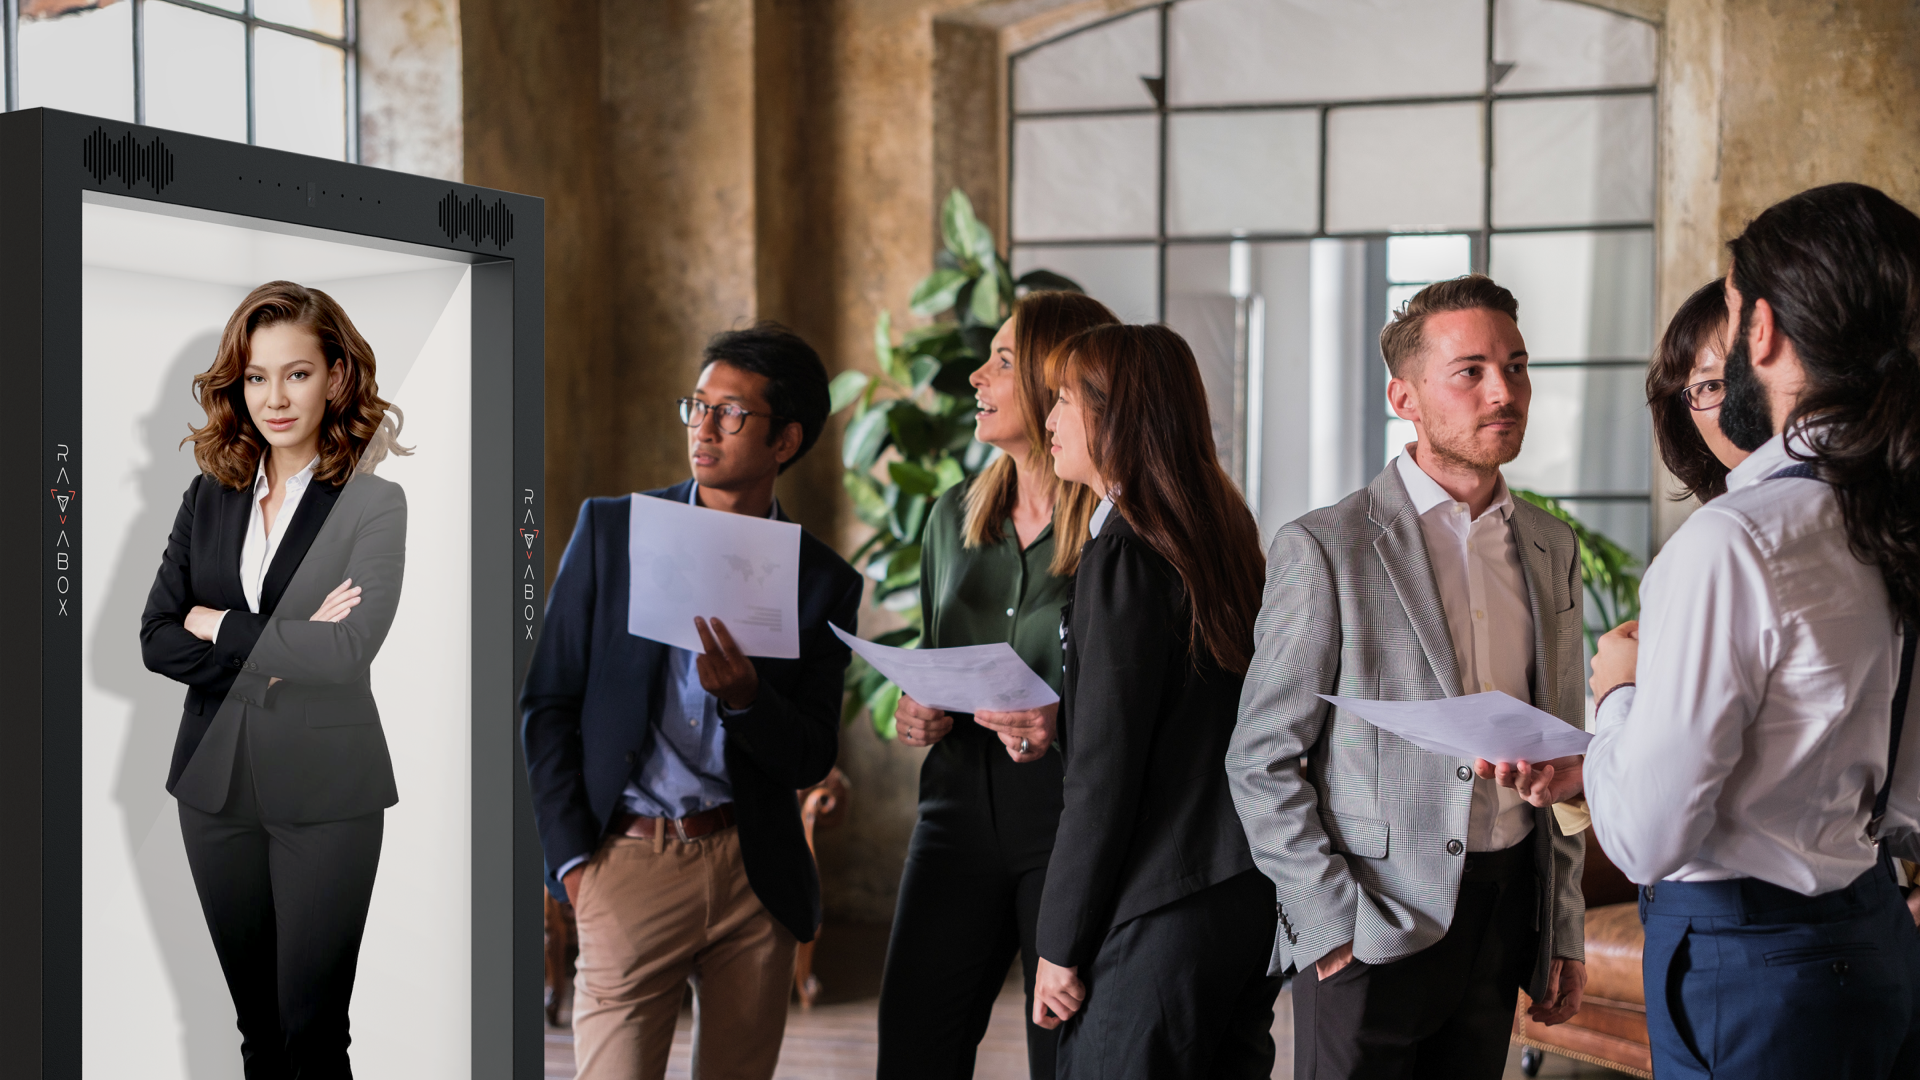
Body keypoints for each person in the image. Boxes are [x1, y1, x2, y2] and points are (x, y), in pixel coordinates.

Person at [1573, 183, 1920, 1078]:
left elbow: (1649, 838)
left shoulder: (1737, 540)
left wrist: (1620, 693)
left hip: (1748, 967)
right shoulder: (1899, 510)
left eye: (1730, 315)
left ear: (1761, 333)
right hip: (1877, 935)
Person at [1227, 274, 1588, 1080]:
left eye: (1519, 366)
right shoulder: (1326, 547)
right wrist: (1331, 925)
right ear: (1406, 397)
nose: (1505, 391)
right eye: (1471, 371)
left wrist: (1561, 927)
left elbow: (1567, 757)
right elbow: (1259, 759)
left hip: (1503, 914)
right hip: (1372, 922)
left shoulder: (1551, 547)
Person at [520, 323, 861, 1080]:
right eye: (697, 406)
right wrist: (575, 863)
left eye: (730, 413)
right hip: (629, 860)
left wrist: (747, 700)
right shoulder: (615, 532)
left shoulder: (820, 582)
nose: (703, 429)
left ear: (786, 440)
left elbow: (812, 751)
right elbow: (546, 705)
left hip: (755, 872)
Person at [140, 280, 410, 1078]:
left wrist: (221, 625)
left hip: (329, 799)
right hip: (213, 789)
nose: (274, 397)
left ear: (335, 376)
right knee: (257, 1034)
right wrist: (289, 641)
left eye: (296, 373)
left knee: (314, 1032)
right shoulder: (209, 497)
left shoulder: (373, 505)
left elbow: (348, 651)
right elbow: (156, 638)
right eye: (257, 377)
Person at [1028, 323, 1280, 1078]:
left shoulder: (1126, 552)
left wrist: (1058, 943)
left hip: (1161, 905)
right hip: (1243, 892)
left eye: (1065, 400)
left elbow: (1104, 776)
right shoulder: (1224, 537)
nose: (1049, 420)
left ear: (1117, 416)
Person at [877, 292, 1117, 1079]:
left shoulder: (1117, 527)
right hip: (952, 810)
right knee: (913, 1046)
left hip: (1064, 821)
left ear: (1056, 381)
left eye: (1004, 361)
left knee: (1064, 1054)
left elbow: (1148, 693)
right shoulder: (952, 515)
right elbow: (931, 652)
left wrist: (1063, 718)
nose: (977, 376)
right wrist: (915, 710)